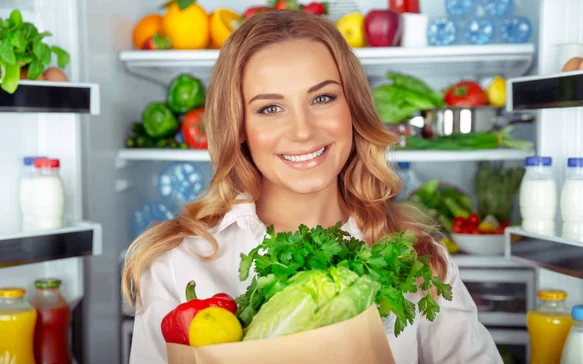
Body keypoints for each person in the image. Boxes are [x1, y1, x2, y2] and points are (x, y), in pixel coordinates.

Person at [122, 9, 502, 364]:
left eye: (323, 98)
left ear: (352, 108)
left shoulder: (420, 260)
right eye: (270, 108)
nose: (303, 130)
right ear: (239, 127)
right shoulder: (177, 265)